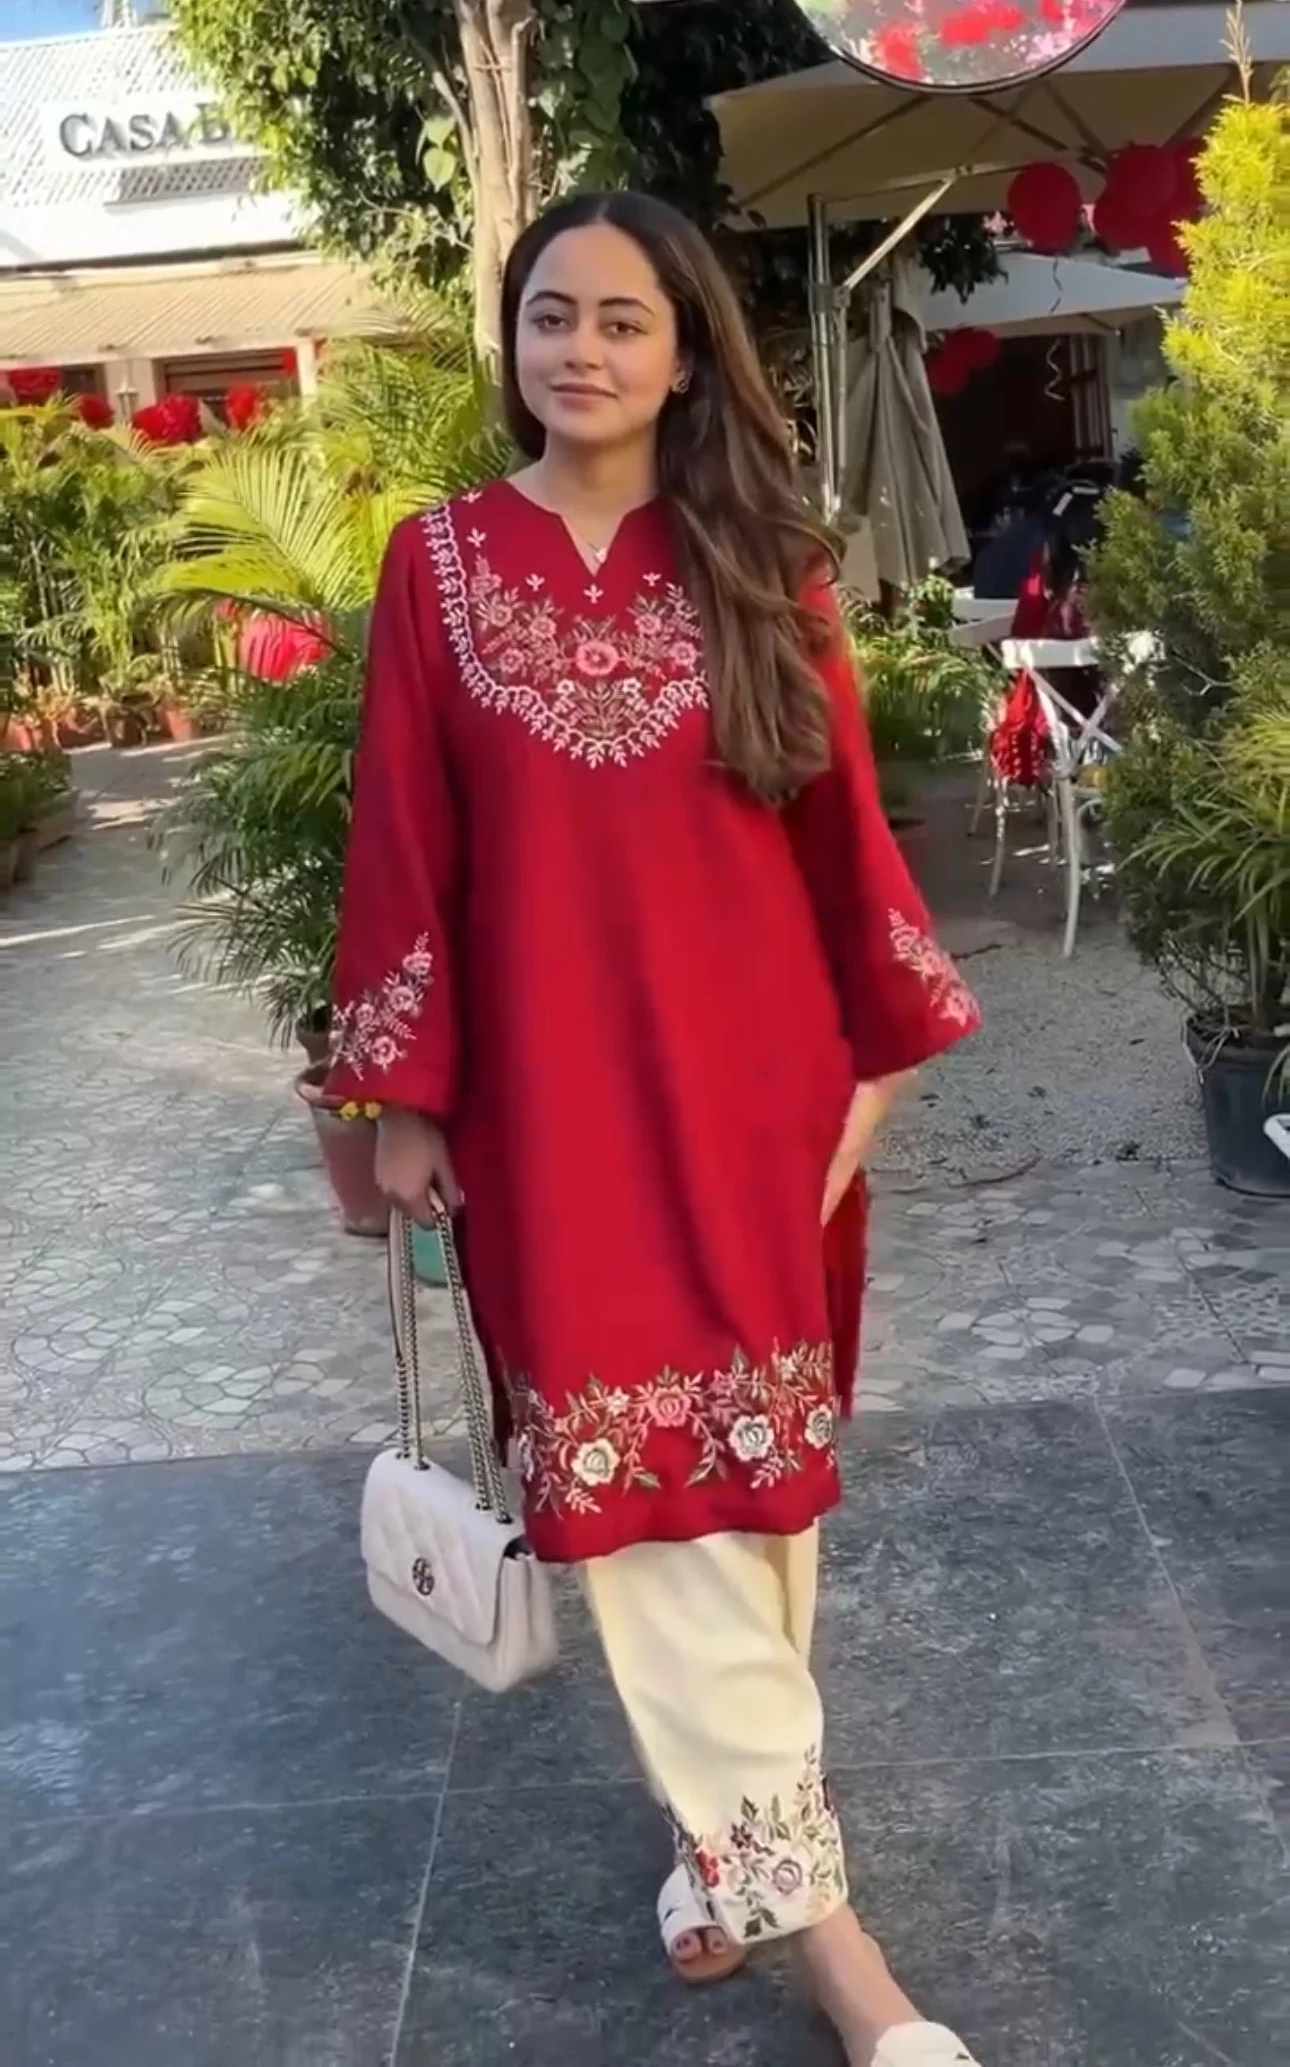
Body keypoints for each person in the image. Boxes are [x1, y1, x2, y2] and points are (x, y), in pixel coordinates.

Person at [326, 190, 982, 2067]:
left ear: (688, 355)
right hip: (551, 1119)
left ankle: (724, 1857)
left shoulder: (765, 563)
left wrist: (881, 1055)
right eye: (552, 313)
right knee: (644, 1512)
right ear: (512, 337)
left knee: (756, 1500)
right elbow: (403, 834)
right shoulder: (436, 563)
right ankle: (846, 1967)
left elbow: (839, 826)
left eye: (624, 319)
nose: (582, 349)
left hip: (758, 1095)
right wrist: (401, 1094)